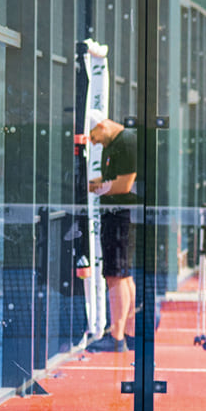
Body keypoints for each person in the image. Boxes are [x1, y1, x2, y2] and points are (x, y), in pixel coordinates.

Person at [85, 109, 138, 353]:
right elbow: (113, 179)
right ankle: (127, 332)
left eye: (93, 135)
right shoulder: (116, 142)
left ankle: (117, 336)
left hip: (119, 216)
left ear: (102, 126)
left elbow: (124, 183)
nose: (93, 141)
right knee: (123, 275)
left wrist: (96, 187)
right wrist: (98, 183)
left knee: (116, 274)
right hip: (118, 215)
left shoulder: (125, 142)